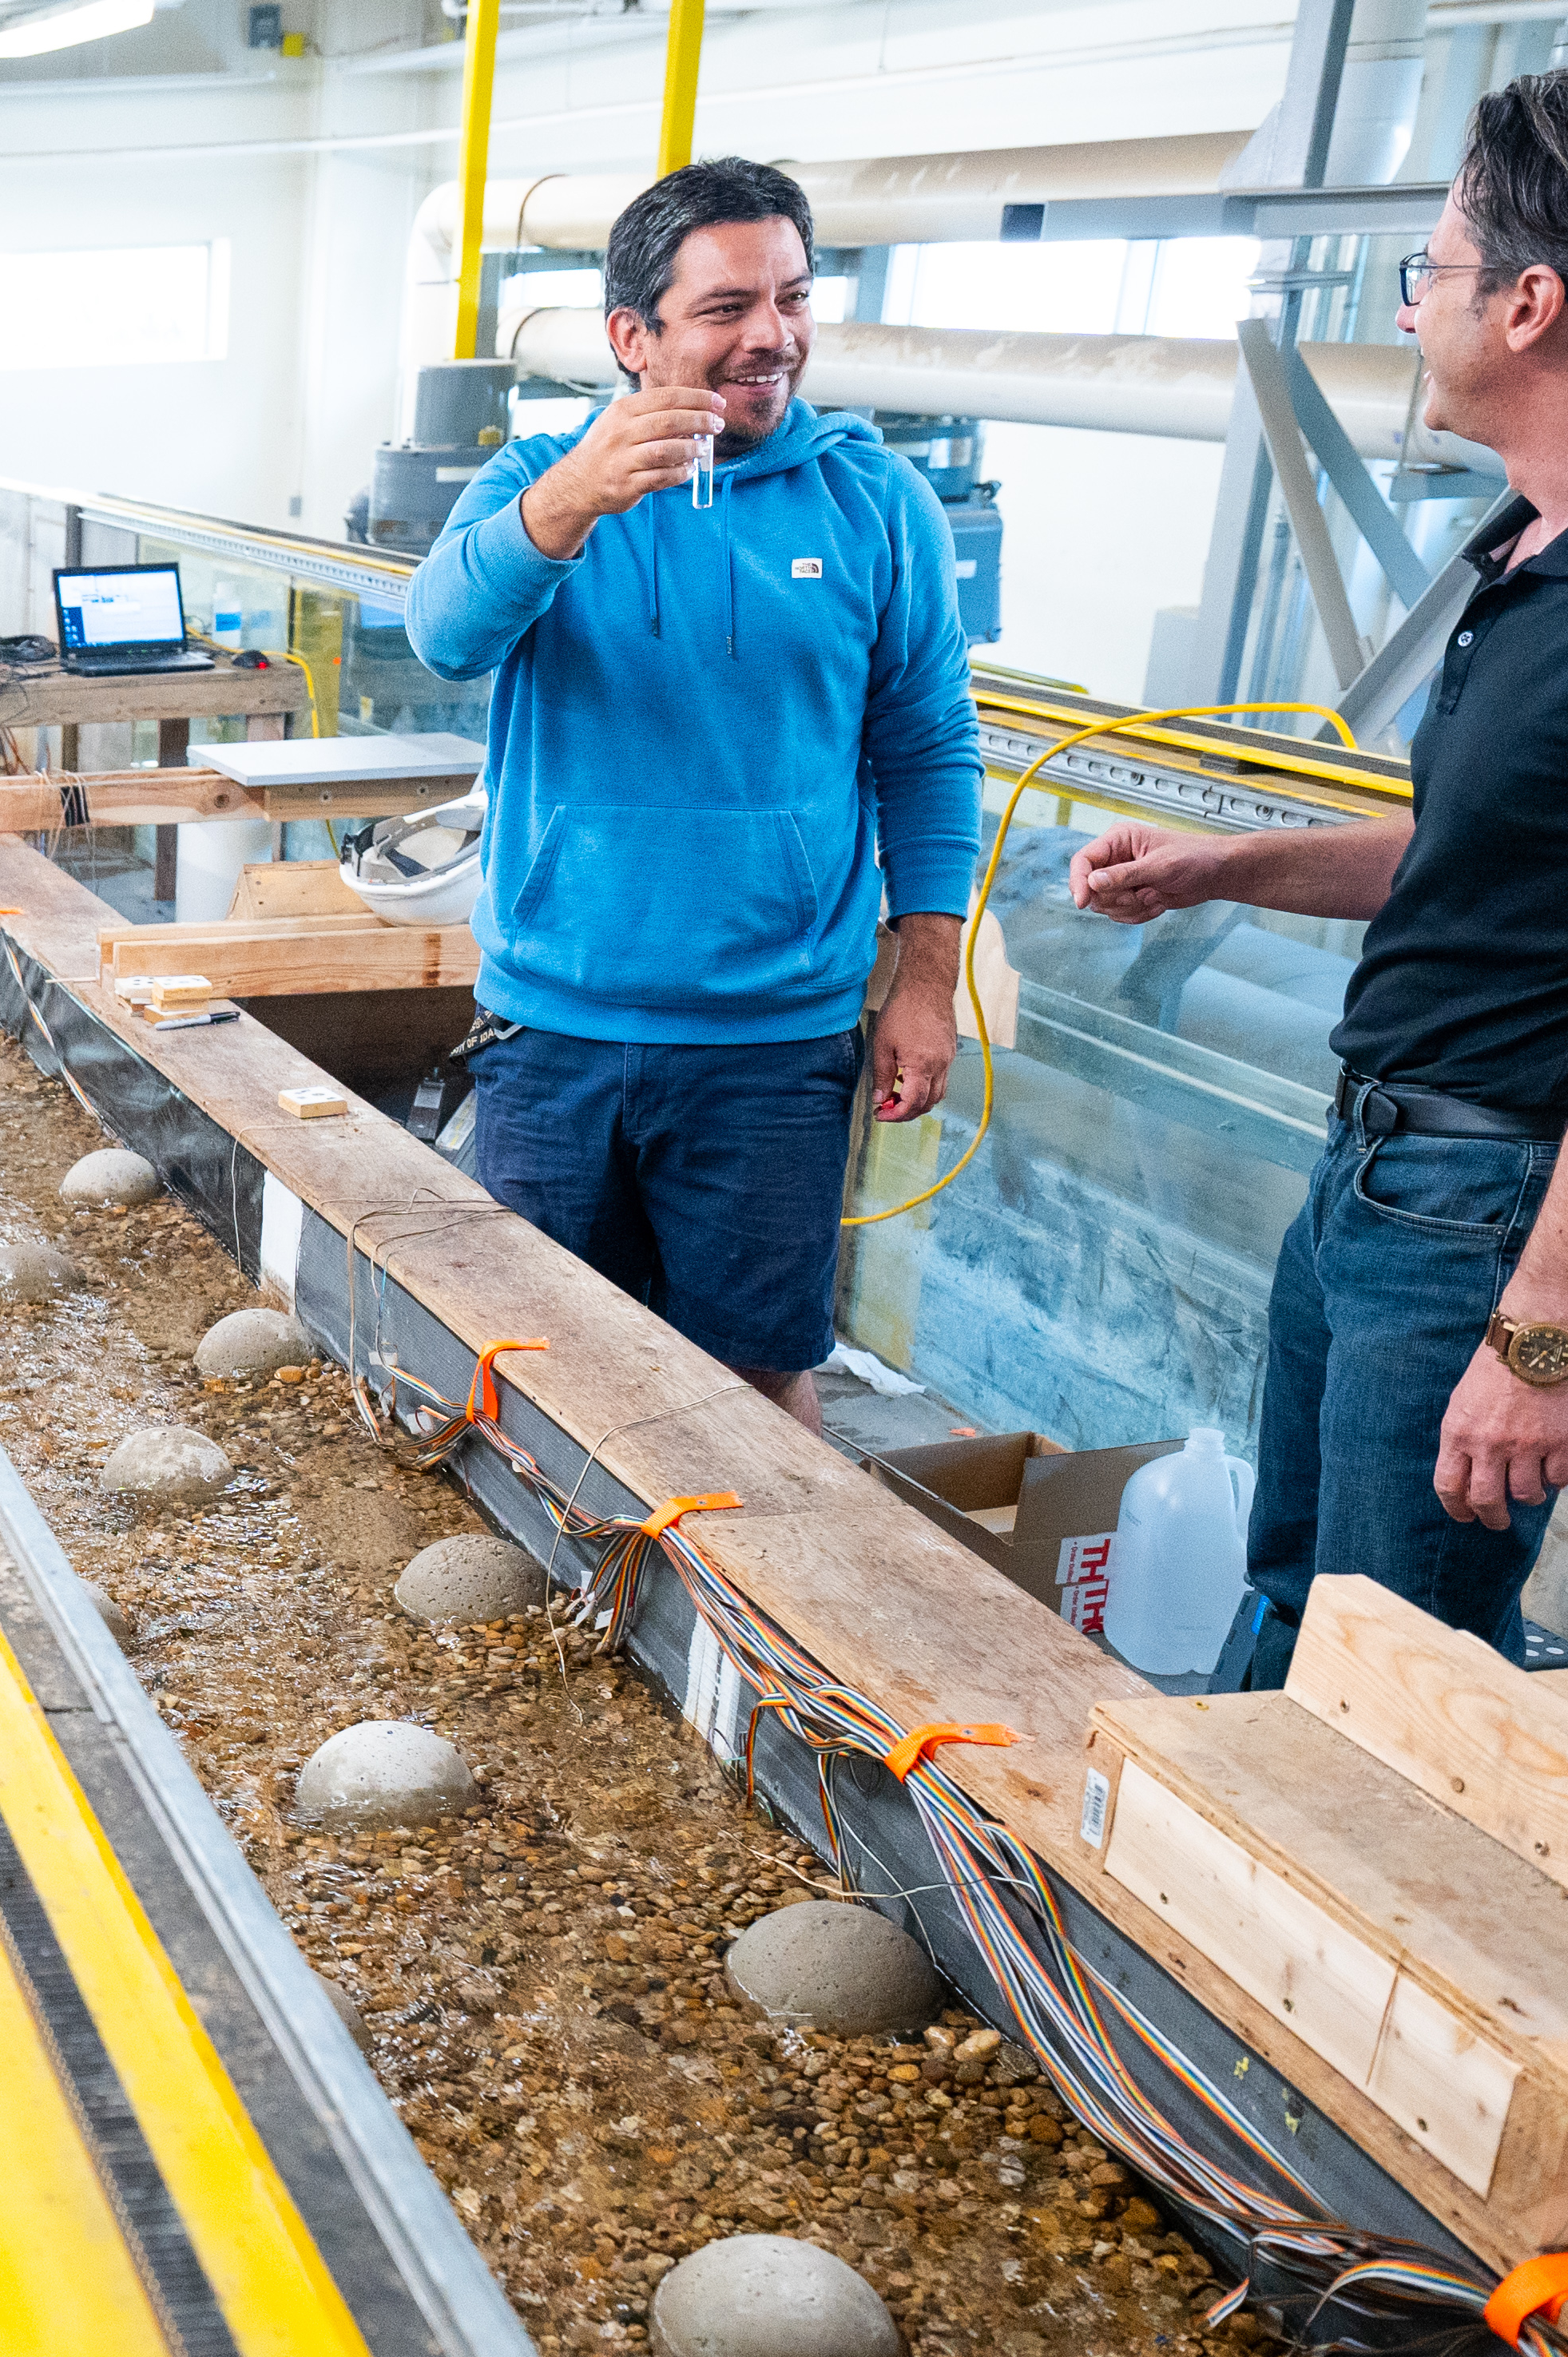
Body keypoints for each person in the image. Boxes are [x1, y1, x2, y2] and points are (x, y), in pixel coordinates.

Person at [1066, 61, 1568, 1669]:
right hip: (1382, 1176)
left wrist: (1542, 1334)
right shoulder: (1541, 544)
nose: (1411, 302)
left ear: (1528, 304)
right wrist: (1224, 867)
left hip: (1495, 1214)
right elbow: (1483, 857)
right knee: (1303, 1604)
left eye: (1427, 268)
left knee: (1393, 1669)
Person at [406, 157, 981, 1434]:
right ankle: (569, 1620)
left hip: (775, 1043)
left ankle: (755, 1635)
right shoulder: (533, 484)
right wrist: (572, 502)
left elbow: (930, 749)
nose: (772, 336)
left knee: (758, 1383)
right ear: (632, 337)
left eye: (792, 297)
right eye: (727, 308)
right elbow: (443, 633)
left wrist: (927, 982)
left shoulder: (877, 503)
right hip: (554, 1027)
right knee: (535, 1367)